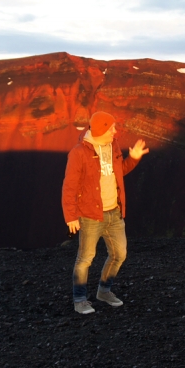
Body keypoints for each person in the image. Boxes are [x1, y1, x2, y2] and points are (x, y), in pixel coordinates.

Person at [62, 112, 149, 314]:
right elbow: (69, 187)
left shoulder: (113, 146)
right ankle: (80, 299)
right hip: (90, 216)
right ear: (101, 129)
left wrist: (133, 159)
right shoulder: (78, 153)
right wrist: (71, 216)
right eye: (111, 128)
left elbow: (118, 172)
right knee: (85, 258)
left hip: (114, 213)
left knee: (120, 254)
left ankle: (104, 291)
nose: (115, 132)